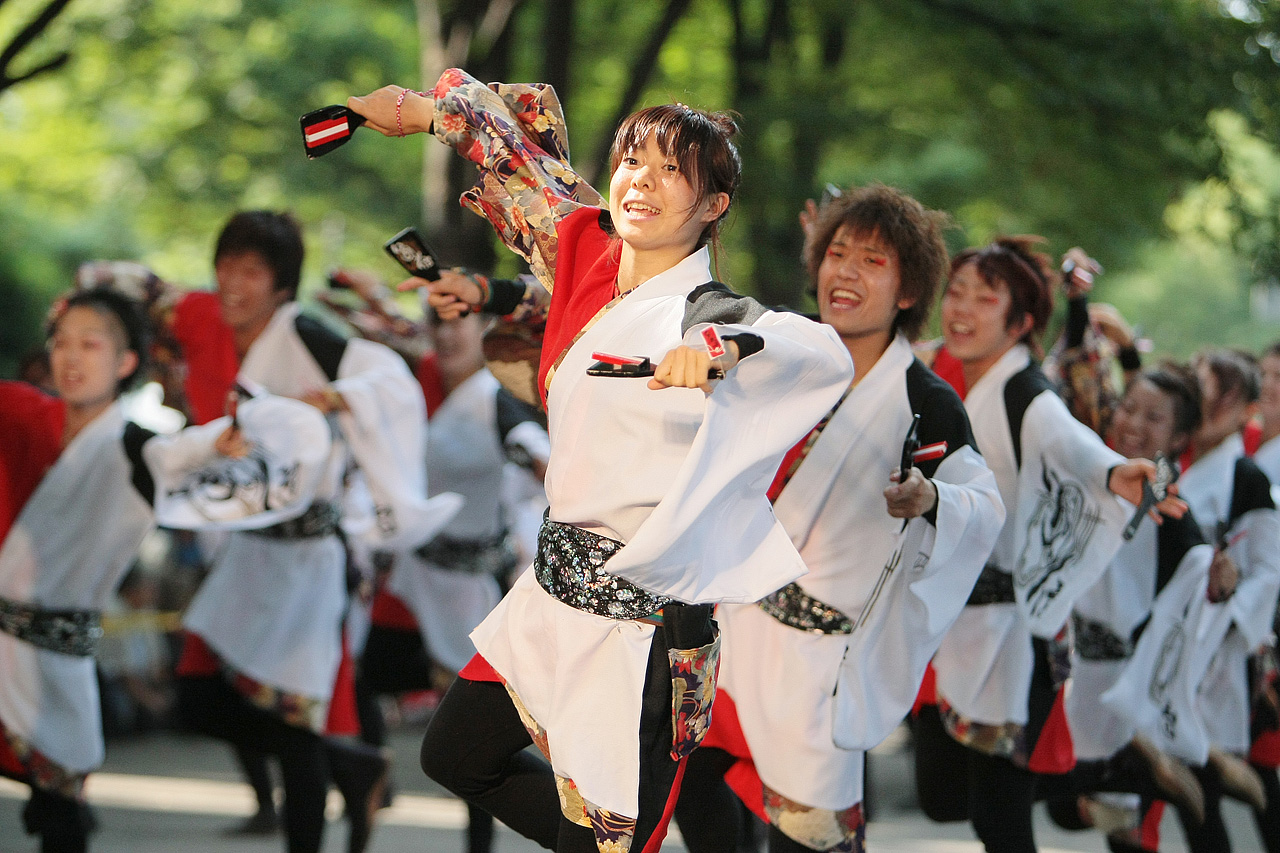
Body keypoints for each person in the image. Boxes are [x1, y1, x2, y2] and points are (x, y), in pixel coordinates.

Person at [346, 71, 853, 853]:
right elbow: (528, 180)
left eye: (672, 172)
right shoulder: (589, 253)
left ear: (714, 205)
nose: (641, 183)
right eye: (632, 162)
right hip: (553, 596)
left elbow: (812, 349)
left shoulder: (706, 307)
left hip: (645, 628)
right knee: (455, 754)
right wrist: (475, 280)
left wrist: (717, 349)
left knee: (615, 835)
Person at [666, 184, 1004, 853]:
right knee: (693, 788)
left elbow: (983, 501)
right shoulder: (780, 353)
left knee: (814, 841)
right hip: (731, 633)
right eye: (837, 253)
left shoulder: (924, 401)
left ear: (909, 293)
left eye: (872, 261)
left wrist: (929, 498)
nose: (845, 271)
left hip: (818, 664)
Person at [145, 210, 453, 853]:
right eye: (226, 265)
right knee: (198, 694)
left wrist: (337, 399)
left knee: (296, 718)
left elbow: (385, 379)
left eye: (250, 270)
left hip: (309, 558)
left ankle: (330, 776)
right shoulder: (237, 340)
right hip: (252, 551)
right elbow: (142, 290)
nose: (232, 281)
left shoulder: (302, 330)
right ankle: (350, 762)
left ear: (280, 284)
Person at [0, 287, 318, 852]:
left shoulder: (133, 446)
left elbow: (176, 453)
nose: (71, 358)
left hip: (53, 660)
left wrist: (216, 442)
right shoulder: (27, 416)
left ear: (124, 363)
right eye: (62, 344)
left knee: (60, 814)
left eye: (90, 345)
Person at [915, 236, 1186, 853]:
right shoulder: (950, 379)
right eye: (956, 292)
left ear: (1021, 321)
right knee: (945, 798)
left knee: (998, 816)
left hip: (1015, 629)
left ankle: (1123, 770)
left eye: (986, 299)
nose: (963, 309)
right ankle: (1119, 769)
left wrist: (1118, 472)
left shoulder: (1023, 392)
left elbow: (1071, 443)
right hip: (958, 616)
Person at [360, 297, 550, 853]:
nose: (447, 337)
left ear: (484, 327)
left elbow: (530, 445)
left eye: (459, 322)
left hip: (472, 586)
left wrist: (549, 469)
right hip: (415, 576)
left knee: (468, 737)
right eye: (438, 323)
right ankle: (365, 770)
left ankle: (483, 843)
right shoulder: (418, 381)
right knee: (363, 678)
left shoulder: (495, 399)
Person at [1048, 363, 1214, 852]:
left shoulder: (1167, 501)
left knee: (1127, 831)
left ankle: (1158, 768)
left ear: (1180, 436)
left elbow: (1199, 564)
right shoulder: (1096, 467)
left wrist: (1219, 575)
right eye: (1129, 408)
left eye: (1153, 418)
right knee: (1067, 802)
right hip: (1073, 670)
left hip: (1128, 680)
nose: (1134, 424)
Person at [1175, 348, 1280, 852]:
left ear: (1242, 408)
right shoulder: (1170, 464)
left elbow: (1267, 572)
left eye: (1215, 392)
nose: (1203, 403)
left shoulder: (1246, 476)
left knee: (1206, 790)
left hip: (1221, 654)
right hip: (1172, 641)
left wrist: (1227, 606)